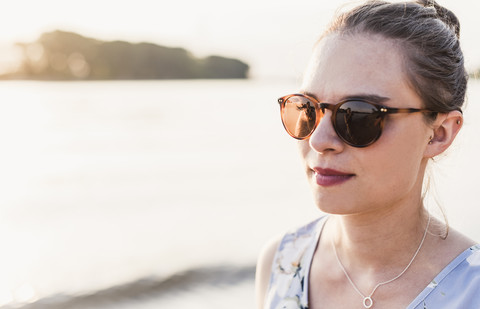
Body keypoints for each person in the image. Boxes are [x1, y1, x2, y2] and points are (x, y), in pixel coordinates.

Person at [255, 1, 480, 308]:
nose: (319, 140)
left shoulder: (472, 292)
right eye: (308, 109)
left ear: (439, 133)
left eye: (358, 116)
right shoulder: (281, 264)